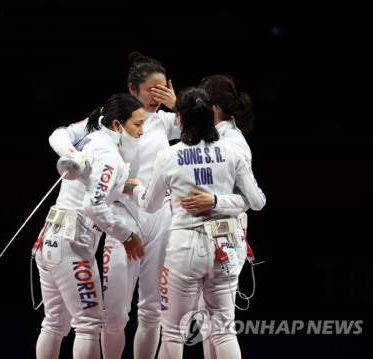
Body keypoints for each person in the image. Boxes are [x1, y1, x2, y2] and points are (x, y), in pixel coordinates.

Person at [48, 51, 180, 359]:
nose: (157, 97)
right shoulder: (110, 119)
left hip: (159, 219)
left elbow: (212, 130)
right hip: (123, 216)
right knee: (116, 314)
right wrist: (75, 156)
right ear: (132, 90)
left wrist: (178, 105)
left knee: (151, 311)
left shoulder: (167, 121)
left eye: (163, 91)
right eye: (151, 90)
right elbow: (59, 134)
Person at [126, 85, 266, 358]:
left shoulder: (168, 156)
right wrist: (218, 201)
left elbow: (149, 205)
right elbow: (256, 201)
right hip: (225, 246)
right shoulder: (232, 151)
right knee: (223, 329)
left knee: (174, 331)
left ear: (179, 120)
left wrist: (137, 188)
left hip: (185, 249)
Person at [33, 92, 146, 359]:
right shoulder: (109, 154)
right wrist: (127, 235)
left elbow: (97, 185)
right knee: (88, 325)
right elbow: (94, 205)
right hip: (72, 245)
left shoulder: (91, 140)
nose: (142, 130)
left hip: (50, 239)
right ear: (117, 125)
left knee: (54, 323)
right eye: (137, 124)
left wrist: (132, 187)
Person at [178, 74, 259, 359]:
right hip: (213, 238)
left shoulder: (233, 143)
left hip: (223, 238)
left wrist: (212, 200)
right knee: (208, 324)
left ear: (211, 109)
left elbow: (251, 200)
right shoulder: (219, 138)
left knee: (220, 326)